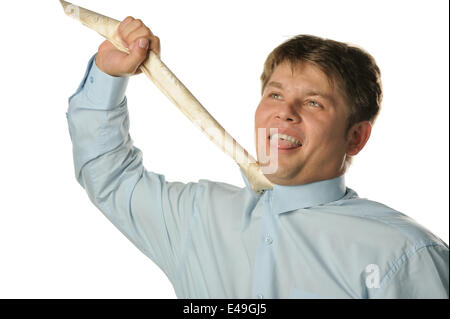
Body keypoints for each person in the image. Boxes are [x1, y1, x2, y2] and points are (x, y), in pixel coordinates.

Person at [65, 16, 449, 299]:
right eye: (276, 95)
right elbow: (108, 175)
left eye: (313, 102)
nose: (285, 113)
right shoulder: (198, 216)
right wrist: (108, 74)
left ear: (356, 137)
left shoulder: (404, 254)